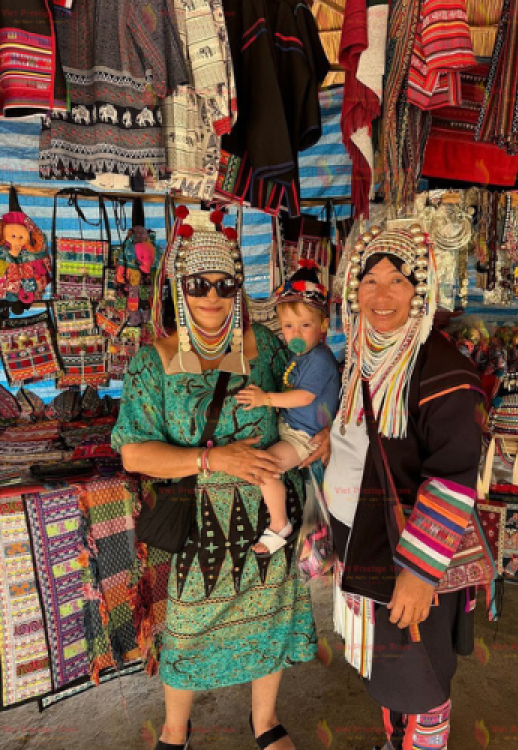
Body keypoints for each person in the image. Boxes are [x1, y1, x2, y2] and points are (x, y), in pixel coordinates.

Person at [111, 208, 325, 750]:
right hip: (198, 526)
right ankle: (175, 728)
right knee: (187, 628)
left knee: (270, 617)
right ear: (179, 289)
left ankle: (265, 721)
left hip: (269, 520)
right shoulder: (152, 363)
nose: (212, 296)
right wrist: (213, 460)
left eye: (225, 284)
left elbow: (311, 405)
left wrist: (315, 442)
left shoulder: (270, 349)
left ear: (239, 288)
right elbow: (135, 453)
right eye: (198, 285)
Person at [325, 219, 486, 750]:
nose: (382, 294)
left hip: (411, 557)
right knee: (385, 666)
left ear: (422, 289)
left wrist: (419, 574)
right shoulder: (362, 356)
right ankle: (395, 742)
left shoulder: (442, 369)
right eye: (369, 280)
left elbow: (455, 473)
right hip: (363, 542)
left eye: (398, 279)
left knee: (418, 673)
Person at [235, 262, 340, 557]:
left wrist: (265, 399)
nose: (295, 332)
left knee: (266, 468)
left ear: (322, 326)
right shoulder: (299, 355)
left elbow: (304, 397)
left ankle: (280, 525)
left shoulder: (318, 358)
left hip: (303, 437)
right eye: (288, 326)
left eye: (305, 325)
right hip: (291, 429)